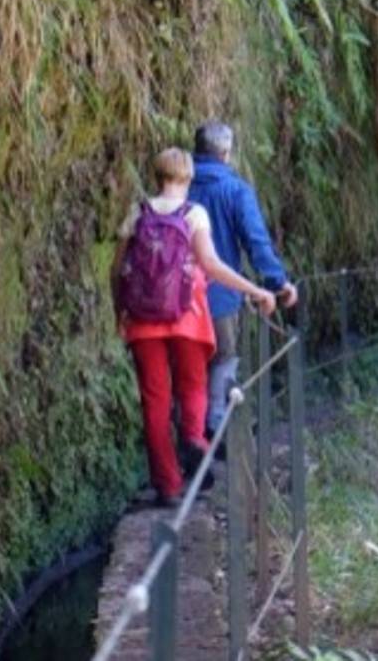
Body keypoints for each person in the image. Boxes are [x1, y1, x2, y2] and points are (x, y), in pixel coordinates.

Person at [113, 148, 277, 507]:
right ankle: (193, 437)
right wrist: (257, 289)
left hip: (142, 320)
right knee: (193, 386)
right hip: (186, 317)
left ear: (157, 175)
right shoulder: (193, 214)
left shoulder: (137, 212)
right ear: (188, 177)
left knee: (155, 403)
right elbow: (212, 264)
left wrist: (119, 313)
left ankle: (169, 486)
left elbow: (118, 269)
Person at [187, 121, 299, 440]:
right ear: (225, 152)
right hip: (220, 296)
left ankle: (189, 436)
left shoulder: (179, 185)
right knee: (223, 357)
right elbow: (255, 241)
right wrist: (277, 282)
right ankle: (215, 428)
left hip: (176, 298)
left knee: (187, 366)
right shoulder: (235, 190)